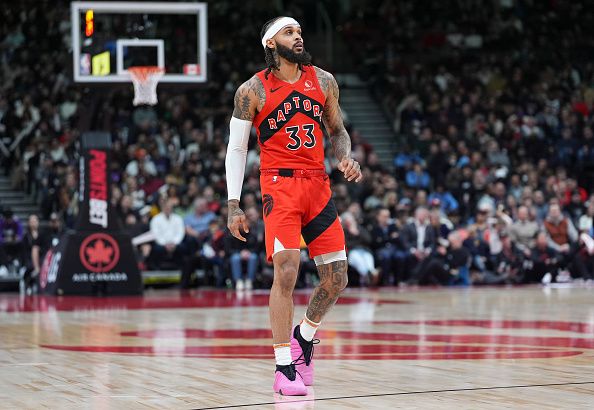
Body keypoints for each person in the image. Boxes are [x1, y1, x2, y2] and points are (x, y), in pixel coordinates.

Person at [225, 16, 362, 395]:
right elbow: (237, 148)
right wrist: (233, 203)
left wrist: (345, 157)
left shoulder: (323, 80)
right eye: (289, 32)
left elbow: (337, 131)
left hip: (317, 184)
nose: (298, 37)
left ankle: (304, 337)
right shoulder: (251, 90)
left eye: (300, 31)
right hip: (279, 186)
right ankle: (284, 365)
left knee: (337, 278)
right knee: (286, 271)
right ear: (271, 43)